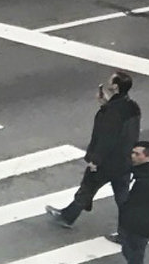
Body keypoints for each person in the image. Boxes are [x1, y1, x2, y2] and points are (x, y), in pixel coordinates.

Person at [49, 72, 141, 231]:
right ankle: (130, 228)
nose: (108, 82)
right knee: (122, 196)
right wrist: (106, 105)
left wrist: (95, 159)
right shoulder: (132, 107)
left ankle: (67, 217)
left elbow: (107, 137)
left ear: (116, 86)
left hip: (108, 161)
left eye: (111, 81)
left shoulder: (113, 112)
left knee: (89, 187)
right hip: (125, 160)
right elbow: (122, 128)